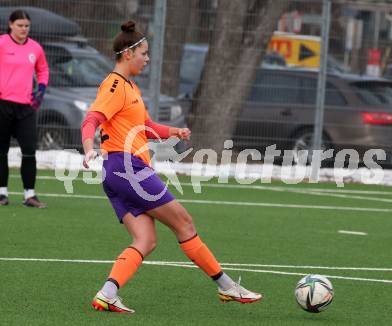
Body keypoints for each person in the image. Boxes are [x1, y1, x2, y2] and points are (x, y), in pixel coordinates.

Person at [81, 21, 262, 313]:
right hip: (128, 169)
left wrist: (173, 132)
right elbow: (91, 119)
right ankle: (228, 287)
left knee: (146, 239)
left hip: (117, 173)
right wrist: (89, 149)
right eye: (144, 53)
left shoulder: (130, 86)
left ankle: (107, 293)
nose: (147, 58)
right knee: (185, 223)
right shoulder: (115, 84)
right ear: (128, 54)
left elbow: (146, 126)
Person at [0, 9, 49, 208]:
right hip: (2, 105)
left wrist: (41, 89)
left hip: (26, 108)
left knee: (29, 150)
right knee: (1, 150)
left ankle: (30, 195)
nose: (23, 29)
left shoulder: (35, 48)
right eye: (19, 25)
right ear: (11, 24)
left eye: (26, 26)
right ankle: (2, 193)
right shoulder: (2, 42)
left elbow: (43, 70)